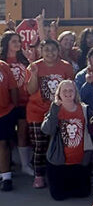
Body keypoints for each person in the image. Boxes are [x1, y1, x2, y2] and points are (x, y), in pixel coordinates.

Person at [26, 39, 75, 188]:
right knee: (40, 145)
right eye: (46, 49)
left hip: (59, 111)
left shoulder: (66, 67)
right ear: (41, 51)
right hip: (37, 111)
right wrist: (34, 74)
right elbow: (30, 90)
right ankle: (39, 175)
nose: (50, 53)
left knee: (58, 144)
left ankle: (56, 174)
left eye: (53, 49)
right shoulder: (34, 66)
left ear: (58, 50)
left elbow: (71, 89)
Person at [41, 80, 92, 200]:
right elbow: (47, 130)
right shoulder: (55, 109)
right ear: (58, 94)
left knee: (83, 194)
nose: (68, 93)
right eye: (64, 91)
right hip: (59, 162)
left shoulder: (84, 109)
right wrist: (54, 109)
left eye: (71, 90)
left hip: (80, 161)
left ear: (75, 93)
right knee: (59, 196)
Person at [0, 31, 33, 176]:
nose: (17, 44)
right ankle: (8, 164)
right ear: (6, 43)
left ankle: (25, 165)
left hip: (24, 101)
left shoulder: (24, 59)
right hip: (6, 105)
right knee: (6, 137)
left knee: (22, 133)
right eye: (14, 41)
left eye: (19, 41)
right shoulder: (2, 61)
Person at [0, 59, 18, 191]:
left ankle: (6, 177)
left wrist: (14, 108)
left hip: (4, 112)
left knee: (3, 144)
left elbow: (13, 88)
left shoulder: (3, 66)